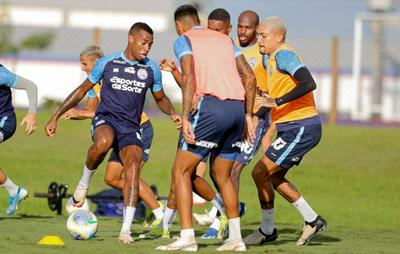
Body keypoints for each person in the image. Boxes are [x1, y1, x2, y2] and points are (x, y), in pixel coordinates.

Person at [45, 22, 181, 244]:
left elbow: (161, 99)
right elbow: (82, 90)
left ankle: (125, 230)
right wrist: (55, 116)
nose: (147, 48)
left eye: (151, 44)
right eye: (144, 42)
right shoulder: (107, 63)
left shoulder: (151, 69)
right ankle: (84, 183)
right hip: (106, 119)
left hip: (131, 126)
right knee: (104, 141)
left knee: (133, 168)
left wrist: (174, 113)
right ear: (130, 39)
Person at [156, 5, 256, 252]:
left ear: (179, 25)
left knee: (181, 172)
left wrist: (186, 116)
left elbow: (189, 76)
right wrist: (249, 116)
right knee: (223, 176)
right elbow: (250, 77)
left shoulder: (184, 40)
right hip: (236, 110)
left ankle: (187, 238)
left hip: (212, 108)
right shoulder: (225, 39)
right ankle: (236, 239)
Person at [244, 16, 327, 246]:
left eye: (263, 35)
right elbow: (270, 101)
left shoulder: (284, 55)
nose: (258, 39)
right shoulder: (270, 59)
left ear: (279, 37)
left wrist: (277, 101)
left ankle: (267, 230)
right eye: (258, 35)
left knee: (260, 172)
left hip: (302, 126)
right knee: (274, 176)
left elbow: (309, 83)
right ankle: (312, 220)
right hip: (292, 127)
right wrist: (253, 118)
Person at [62, 45, 165, 232]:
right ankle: (155, 208)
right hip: (115, 130)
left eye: (85, 63)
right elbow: (92, 111)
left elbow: (93, 113)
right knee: (111, 178)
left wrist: (83, 114)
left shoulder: (116, 75)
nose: (82, 67)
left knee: (130, 175)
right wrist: (75, 113)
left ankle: (158, 214)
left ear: (97, 62)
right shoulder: (93, 83)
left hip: (139, 128)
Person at [0, 64, 38, 215]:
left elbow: (31, 86)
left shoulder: (2, 74)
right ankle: (14, 191)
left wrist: (32, 114)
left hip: (5, 122)